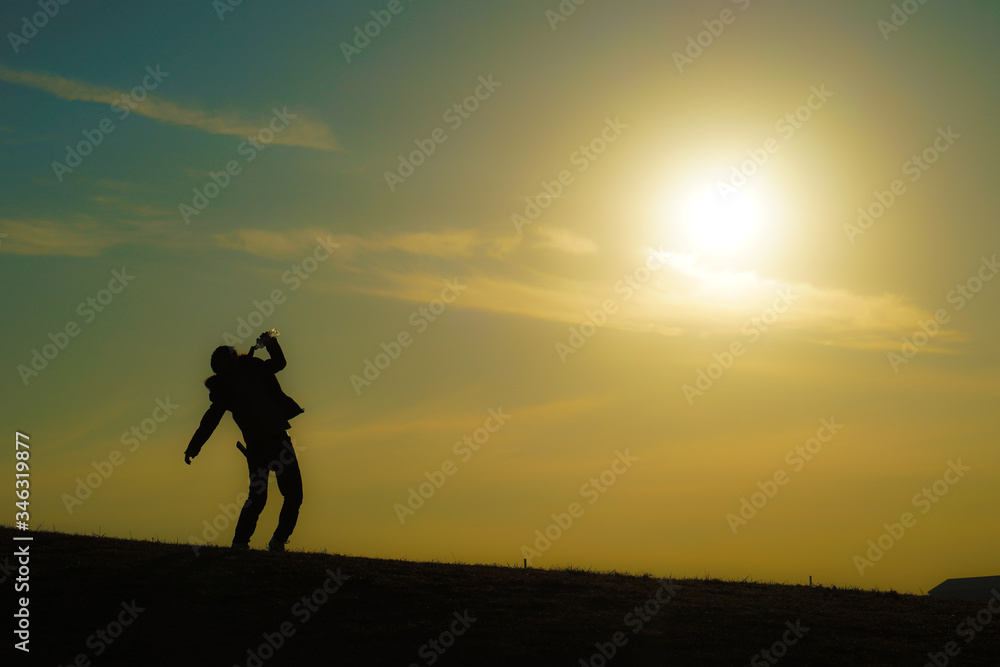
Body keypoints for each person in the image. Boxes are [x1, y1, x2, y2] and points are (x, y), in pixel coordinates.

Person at [184, 330, 304, 552]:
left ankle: (278, 540)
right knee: (258, 498)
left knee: (294, 494)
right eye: (223, 365)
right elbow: (210, 420)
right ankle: (240, 543)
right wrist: (194, 446)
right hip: (257, 446)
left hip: (279, 438)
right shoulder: (224, 391)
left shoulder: (256, 367)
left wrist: (271, 342)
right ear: (220, 369)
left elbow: (279, 363)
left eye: (229, 359)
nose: (228, 365)